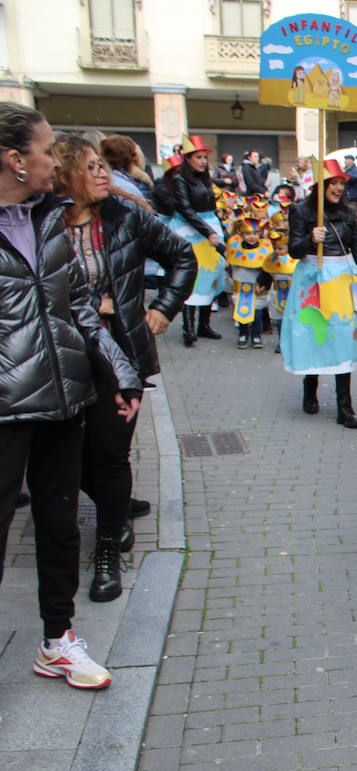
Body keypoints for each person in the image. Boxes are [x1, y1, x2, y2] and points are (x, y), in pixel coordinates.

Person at [0, 103, 141, 688]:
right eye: (47, 149)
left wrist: (120, 372)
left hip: (63, 400)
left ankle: (57, 640)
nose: (55, 159)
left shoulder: (48, 218)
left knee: (60, 525)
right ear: (15, 159)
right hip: (7, 407)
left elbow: (79, 305)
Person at [51, 134, 194, 602]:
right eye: (89, 166)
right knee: (70, 463)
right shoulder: (40, 224)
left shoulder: (126, 216)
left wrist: (162, 309)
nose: (101, 173)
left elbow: (182, 257)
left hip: (119, 357)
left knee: (110, 453)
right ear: (64, 173)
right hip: (59, 358)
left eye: (101, 165)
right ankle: (115, 509)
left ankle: (107, 550)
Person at [283, 158, 357, 429]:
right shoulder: (301, 212)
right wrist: (309, 240)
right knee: (315, 334)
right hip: (312, 281)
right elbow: (293, 250)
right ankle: (311, 384)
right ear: (321, 185)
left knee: (342, 337)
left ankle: (345, 406)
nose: (339, 187)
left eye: (342, 182)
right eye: (334, 182)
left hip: (340, 279)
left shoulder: (349, 213)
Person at [156, 135, 226, 347]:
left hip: (209, 228)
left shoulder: (205, 179)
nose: (203, 161)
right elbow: (185, 210)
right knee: (193, 277)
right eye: (198, 157)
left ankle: (203, 325)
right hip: (191, 231)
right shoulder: (180, 180)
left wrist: (217, 227)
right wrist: (208, 232)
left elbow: (210, 206)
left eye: (205, 157)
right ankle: (188, 327)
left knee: (212, 275)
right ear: (188, 158)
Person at [224, 213, 272, 350]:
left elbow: (267, 268)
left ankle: (256, 335)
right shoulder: (235, 247)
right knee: (242, 312)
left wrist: (263, 284)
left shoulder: (266, 247)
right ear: (242, 235)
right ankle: (243, 334)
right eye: (248, 234)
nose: (252, 237)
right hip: (241, 285)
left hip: (257, 286)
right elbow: (229, 260)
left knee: (257, 313)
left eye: (255, 233)